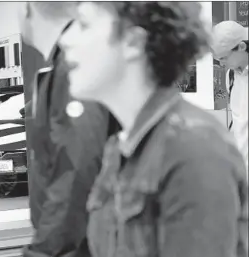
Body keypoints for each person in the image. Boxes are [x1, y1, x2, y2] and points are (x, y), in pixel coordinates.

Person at [60, 2, 248, 256]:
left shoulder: (193, 150)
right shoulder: (119, 149)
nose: (65, 40)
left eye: (83, 24)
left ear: (133, 42)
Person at [18, 2, 110, 257]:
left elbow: (76, 169)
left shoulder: (73, 67)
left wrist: (47, 250)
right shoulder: (61, 67)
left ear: (26, 8)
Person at [212, 20, 248, 172]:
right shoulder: (231, 77)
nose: (221, 64)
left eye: (223, 58)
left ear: (241, 47)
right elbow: (239, 123)